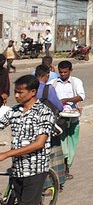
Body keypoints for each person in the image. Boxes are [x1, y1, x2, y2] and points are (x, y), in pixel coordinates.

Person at [0, 75, 55, 205]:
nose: (16, 95)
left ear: (33, 92)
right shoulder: (14, 111)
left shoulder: (44, 112)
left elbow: (39, 143)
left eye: (20, 92)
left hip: (34, 169)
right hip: (17, 168)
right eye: (15, 91)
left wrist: (6, 154)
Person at [51, 60, 85, 180]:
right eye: (61, 72)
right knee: (61, 145)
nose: (63, 74)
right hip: (59, 119)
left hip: (73, 119)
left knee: (71, 146)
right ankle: (62, 171)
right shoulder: (53, 83)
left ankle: (67, 167)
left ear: (71, 71)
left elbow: (81, 96)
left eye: (65, 72)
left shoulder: (76, 82)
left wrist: (66, 100)